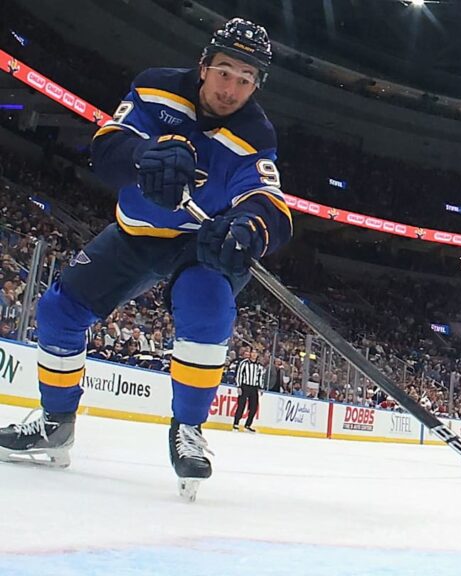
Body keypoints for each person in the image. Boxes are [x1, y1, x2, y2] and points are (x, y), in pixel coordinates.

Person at [0, 19, 291, 497]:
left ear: (257, 84)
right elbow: (106, 148)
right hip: (135, 235)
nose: (231, 89)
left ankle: (189, 430)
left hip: (200, 245)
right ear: (204, 65)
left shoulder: (255, 133)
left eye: (246, 79)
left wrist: (250, 228)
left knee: (206, 304)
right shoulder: (155, 87)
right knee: (58, 311)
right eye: (225, 72)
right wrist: (144, 155)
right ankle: (55, 423)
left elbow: (267, 201)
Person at [232, 349, 264, 432]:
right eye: (253, 352)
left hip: (254, 388)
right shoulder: (244, 363)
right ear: (250, 354)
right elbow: (239, 374)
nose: (254, 354)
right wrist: (239, 386)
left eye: (256, 353)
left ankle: (248, 425)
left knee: (254, 407)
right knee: (241, 405)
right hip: (245, 386)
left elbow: (260, 377)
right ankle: (236, 423)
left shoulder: (259, 365)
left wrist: (261, 387)